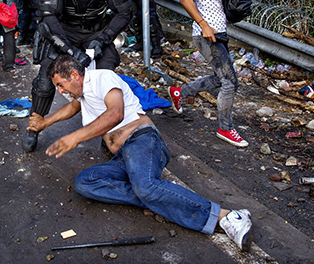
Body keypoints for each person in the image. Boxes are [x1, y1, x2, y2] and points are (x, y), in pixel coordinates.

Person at [28, 54, 254, 252]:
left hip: (142, 140)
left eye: (60, 85)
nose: (60, 91)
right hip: (122, 156)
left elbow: (116, 113)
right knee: (85, 182)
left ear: (75, 74)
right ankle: (158, 199)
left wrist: (75, 136)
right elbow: (72, 107)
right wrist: (44, 123)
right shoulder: (82, 95)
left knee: (145, 186)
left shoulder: (102, 78)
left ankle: (227, 216)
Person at [23, 0, 132, 152]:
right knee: (45, 80)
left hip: (97, 32)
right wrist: (70, 50)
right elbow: (47, 17)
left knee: (105, 79)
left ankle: (108, 134)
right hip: (64, 31)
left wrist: (103, 40)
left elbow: (124, 13)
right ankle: (34, 126)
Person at [168, 0, 247, 148]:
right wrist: (204, 25)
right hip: (207, 35)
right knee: (230, 82)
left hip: (219, 32)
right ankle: (226, 127)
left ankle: (179, 92)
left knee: (219, 79)